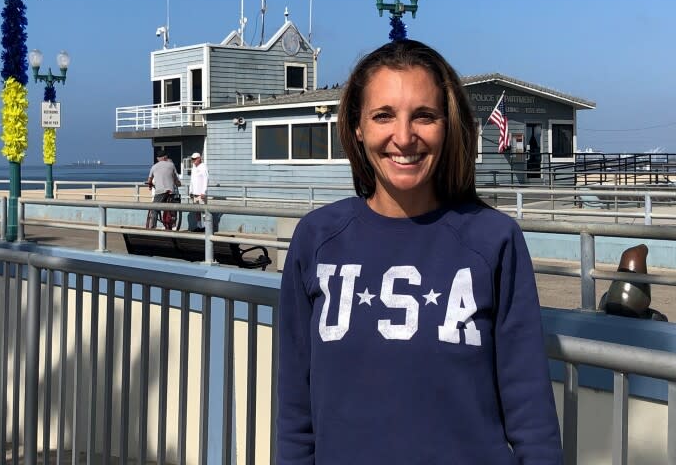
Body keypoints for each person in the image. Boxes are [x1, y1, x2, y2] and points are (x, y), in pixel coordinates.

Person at [277, 40, 561, 464]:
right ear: (358, 127)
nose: (404, 137)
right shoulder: (316, 239)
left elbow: (531, 414)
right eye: (383, 115)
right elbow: (295, 412)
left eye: (424, 116)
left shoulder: (494, 240)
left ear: (448, 126)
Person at [146, 150, 181, 229]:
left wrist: (150, 185)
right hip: (171, 191)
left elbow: (149, 179)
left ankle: (153, 226)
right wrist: (178, 184)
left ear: (158, 158)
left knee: (154, 209)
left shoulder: (154, 167)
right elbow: (175, 178)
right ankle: (173, 224)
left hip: (160, 192)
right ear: (165, 157)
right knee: (172, 207)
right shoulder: (171, 165)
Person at [188, 151, 208, 231]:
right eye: (192, 159)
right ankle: (199, 226)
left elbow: (206, 179)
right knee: (197, 211)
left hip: (201, 193)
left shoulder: (203, 166)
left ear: (199, 159)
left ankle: (206, 227)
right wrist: (190, 191)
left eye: (195, 159)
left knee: (204, 211)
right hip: (194, 193)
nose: (193, 160)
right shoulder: (193, 167)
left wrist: (204, 192)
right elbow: (192, 180)